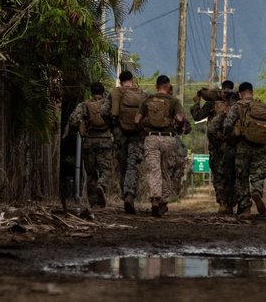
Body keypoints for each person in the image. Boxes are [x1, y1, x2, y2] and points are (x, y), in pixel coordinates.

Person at [135, 74, 187, 217]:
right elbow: (179, 118)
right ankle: (164, 202)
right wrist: (181, 123)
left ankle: (155, 199)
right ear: (168, 86)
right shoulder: (174, 101)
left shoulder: (147, 100)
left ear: (156, 86)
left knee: (154, 170)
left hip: (151, 138)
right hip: (168, 139)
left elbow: (137, 119)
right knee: (166, 170)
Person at [222, 81, 266, 216]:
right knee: (257, 175)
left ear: (240, 94)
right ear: (252, 92)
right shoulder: (264, 107)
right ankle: (257, 190)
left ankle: (245, 208)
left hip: (242, 146)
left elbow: (227, 125)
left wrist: (231, 140)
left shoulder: (237, 107)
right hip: (260, 147)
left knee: (242, 178)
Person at [101, 70, 147, 214]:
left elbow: (103, 111)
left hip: (119, 133)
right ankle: (130, 194)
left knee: (123, 165)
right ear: (132, 80)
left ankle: (124, 194)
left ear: (120, 81)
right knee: (133, 165)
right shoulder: (142, 93)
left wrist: (112, 126)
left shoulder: (115, 93)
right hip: (137, 133)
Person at [191, 80, 236, 213]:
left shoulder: (212, 102)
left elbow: (197, 116)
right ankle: (231, 204)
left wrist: (196, 102)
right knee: (232, 173)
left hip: (215, 144)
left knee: (218, 174)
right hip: (233, 144)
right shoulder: (236, 103)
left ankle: (222, 202)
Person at [68, 82, 114, 209]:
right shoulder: (108, 105)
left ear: (91, 92)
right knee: (106, 169)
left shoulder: (84, 105)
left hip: (89, 143)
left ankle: (94, 203)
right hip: (105, 141)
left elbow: (73, 120)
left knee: (91, 173)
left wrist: (79, 129)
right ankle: (102, 185)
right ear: (103, 92)